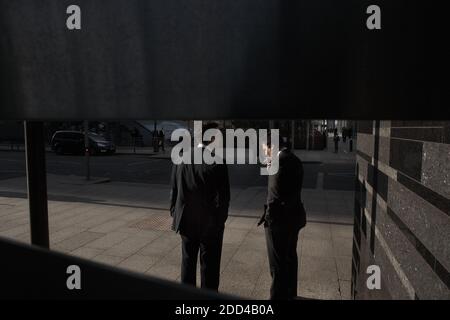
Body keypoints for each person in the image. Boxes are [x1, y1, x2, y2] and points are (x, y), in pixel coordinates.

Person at [169, 122, 230, 292]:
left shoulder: (180, 157)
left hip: (186, 220)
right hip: (209, 225)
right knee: (209, 267)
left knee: (187, 262)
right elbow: (224, 199)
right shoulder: (218, 161)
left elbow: (174, 190)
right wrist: (219, 222)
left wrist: (175, 213)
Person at [259, 137, 306, 300]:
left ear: (272, 147)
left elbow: (273, 196)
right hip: (295, 217)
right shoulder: (295, 160)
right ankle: (291, 293)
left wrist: (268, 219)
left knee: (277, 264)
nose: (264, 152)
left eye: (265, 149)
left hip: (278, 222)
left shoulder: (277, 163)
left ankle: (277, 297)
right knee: (291, 257)